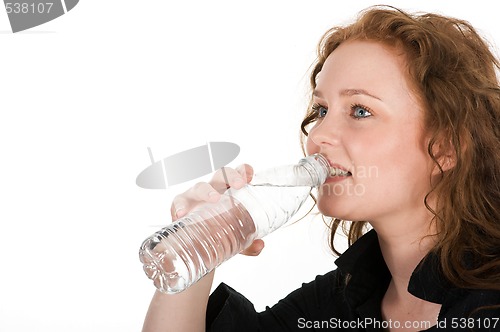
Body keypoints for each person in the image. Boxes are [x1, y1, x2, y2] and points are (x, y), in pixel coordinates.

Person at [142, 6, 500, 331]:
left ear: (446, 147)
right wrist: (198, 248)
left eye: (360, 111)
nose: (319, 136)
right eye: (322, 110)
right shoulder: (339, 303)